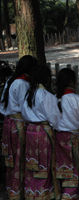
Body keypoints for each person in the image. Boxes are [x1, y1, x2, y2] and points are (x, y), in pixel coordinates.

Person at [0, 55, 37, 200]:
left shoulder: (12, 80)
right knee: (20, 159)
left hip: (9, 123)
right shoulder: (22, 84)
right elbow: (26, 108)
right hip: (19, 125)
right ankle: (20, 191)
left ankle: (13, 189)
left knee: (12, 160)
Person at [21, 65, 61, 199]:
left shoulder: (29, 94)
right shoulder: (46, 96)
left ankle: (32, 193)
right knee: (44, 164)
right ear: (47, 78)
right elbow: (54, 118)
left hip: (30, 131)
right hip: (43, 132)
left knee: (32, 164)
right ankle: (43, 194)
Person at [55, 68, 79, 199]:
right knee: (75, 166)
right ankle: (72, 194)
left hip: (59, 137)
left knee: (61, 165)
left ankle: (61, 192)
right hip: (74, 137)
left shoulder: (56, 99)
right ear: (73, 82)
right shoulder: (78, 99)